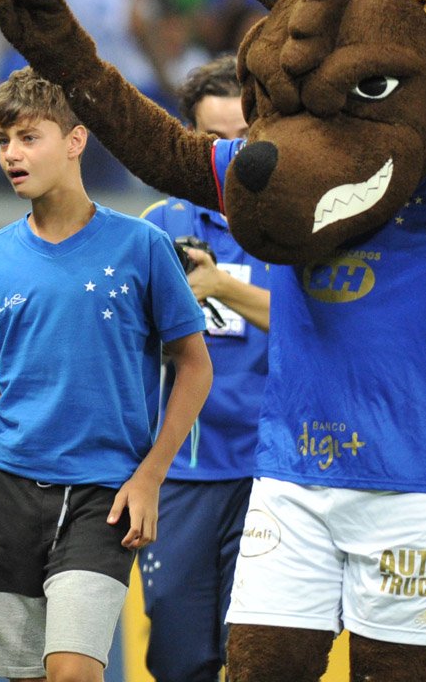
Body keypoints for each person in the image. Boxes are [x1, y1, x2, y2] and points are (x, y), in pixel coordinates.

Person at [0, 66, 213, 682]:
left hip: (105, 496)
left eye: (27, 137)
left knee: (73, 672)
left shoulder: (141, 246)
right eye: (3, 142)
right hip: (6, 495)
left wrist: (152, 475)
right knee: (24, 676)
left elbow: (194, 367)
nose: (11, 155)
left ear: (76, 141)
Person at [138, 55, 271, 682]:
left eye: (243, 140)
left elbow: (314, 327)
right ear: (191, 141)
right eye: (214, 141)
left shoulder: (291, 231)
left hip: (273, 477)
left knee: (259, 657)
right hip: (181, 476)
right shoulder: (156, 231)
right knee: (179, 660)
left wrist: (219, 285)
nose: (230, 156)